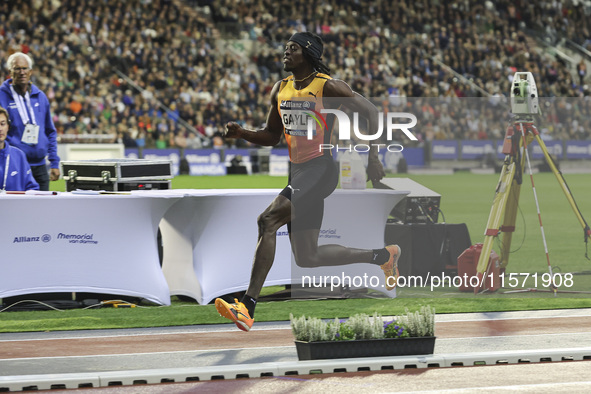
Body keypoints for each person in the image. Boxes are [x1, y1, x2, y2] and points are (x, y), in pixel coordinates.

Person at [215, 32, 401, 332]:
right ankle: (383, 256)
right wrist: (244, 134)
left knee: (268, 220)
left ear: (309, 53)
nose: (286, 52)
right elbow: (272, 135)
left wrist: (374, 157)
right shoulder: (281, 88)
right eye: (285, 47)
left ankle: (247, 306)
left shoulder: (328, 86)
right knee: (308, 257)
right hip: (298, 172)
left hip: (321, 169)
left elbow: (371, 111)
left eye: (293, 48)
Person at [0, 52, 60, 191]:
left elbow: (50, 131)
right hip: (15, 164)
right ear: (10, 72)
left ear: (31, 71)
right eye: (17, 68)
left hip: (40, 166)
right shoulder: (2, 96)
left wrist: (54, 162)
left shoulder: (40, 96)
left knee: (42, 210)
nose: (22, 72)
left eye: (25, 68)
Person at [0, 106, 39, 191]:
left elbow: (32, 188)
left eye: (2, 124)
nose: (0, 129)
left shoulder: (19, 155)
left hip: (17, 204)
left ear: (8, 126)